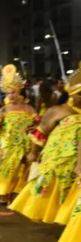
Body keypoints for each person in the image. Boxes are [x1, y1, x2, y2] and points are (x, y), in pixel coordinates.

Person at [9, 67, 81, 224]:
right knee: (53, 194)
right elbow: (40, 133)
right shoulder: (57, 110)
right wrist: (33, 153)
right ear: (72, 95)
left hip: (77, 164)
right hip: (57, 161)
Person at [0, 64, 35, 205]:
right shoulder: (4, 109)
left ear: (19, 92)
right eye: (8, 93)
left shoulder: (29, 108)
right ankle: (6, 194)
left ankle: (16, 196)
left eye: (14, 92)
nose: (11, 95)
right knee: (8, 170)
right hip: (7, 146)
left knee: (21, 172)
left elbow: (39, 126)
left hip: (25, 146)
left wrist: (33, 130)